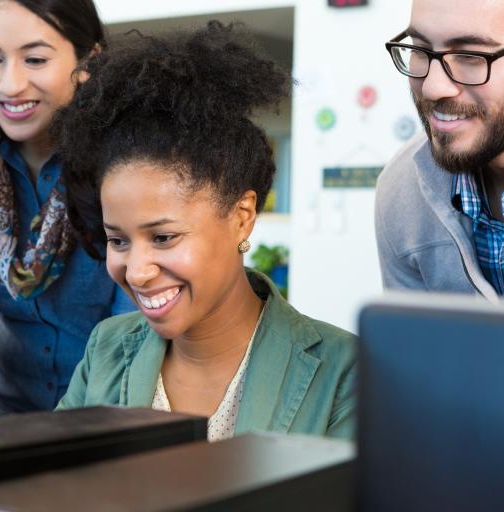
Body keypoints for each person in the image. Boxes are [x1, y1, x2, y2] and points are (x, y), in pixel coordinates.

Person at [54, 23, 357, 441]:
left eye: (163, 238)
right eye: (118, 240)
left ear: (242, 216)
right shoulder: (106, 348)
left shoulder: (343, 371)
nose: (137, 271)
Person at [0, 0, 133, 414]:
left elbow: (133, 327)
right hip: (0, 411)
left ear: (88, 62)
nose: (10, 84)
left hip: (108, 410)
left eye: (35, 59)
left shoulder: (126, 162)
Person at [376, 0, 504, 298]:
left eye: (470, 55)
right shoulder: (401, 189)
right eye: (419, 47)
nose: (432, 88)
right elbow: (413, 342)